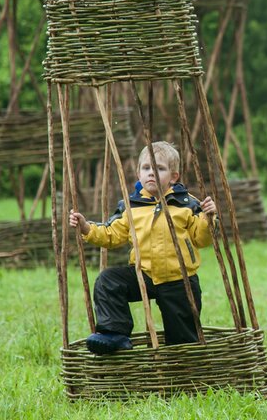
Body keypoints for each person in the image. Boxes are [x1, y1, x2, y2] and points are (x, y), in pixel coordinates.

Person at [69, 141, 217, 355]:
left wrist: (208, 218)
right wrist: (85, 227)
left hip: (180, 280)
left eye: (160, 169)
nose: (151, 174)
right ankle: (114, 333)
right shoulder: (131, 206)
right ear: (138, 172)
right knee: (108, 280)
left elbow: (201, 239)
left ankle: (181, 368)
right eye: (146, 168)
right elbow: (111, 234)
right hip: (143, 275)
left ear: (174, 177)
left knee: (183, 341)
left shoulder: (186, 204)